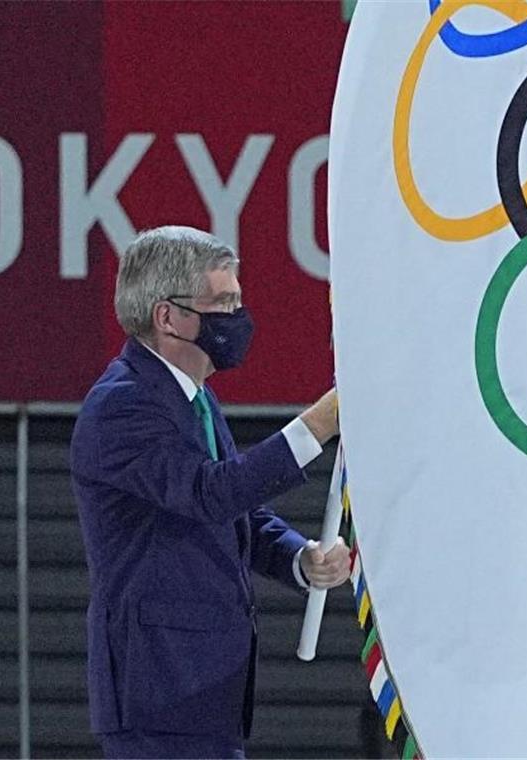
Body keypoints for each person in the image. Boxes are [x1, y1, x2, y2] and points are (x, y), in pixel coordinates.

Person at [70, 225, 352, 759]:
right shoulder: (122, 406)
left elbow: (233, 511)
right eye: (222, 303)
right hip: (159, 688)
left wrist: (299, 558)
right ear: (167, 316)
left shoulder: (195, 400)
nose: (237, 318)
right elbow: (209, 494)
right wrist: (318, 425)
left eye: (238, 300)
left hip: (205, 690)